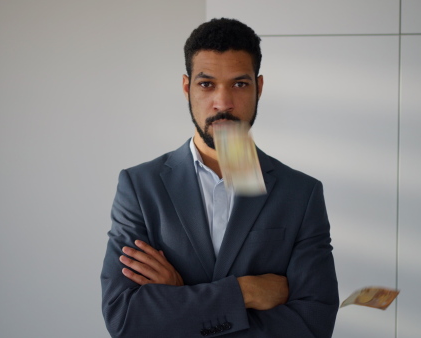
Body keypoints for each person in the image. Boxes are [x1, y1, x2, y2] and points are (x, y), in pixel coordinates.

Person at [100, 18, 338, 337]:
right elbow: (126, 319)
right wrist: (244, 292)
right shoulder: (140, 188)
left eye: (239, 84)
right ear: (187, 87)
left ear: (259, 87)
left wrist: (179, 295)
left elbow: (313, 324)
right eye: (206, 84)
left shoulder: (301, 193)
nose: (223, 103)